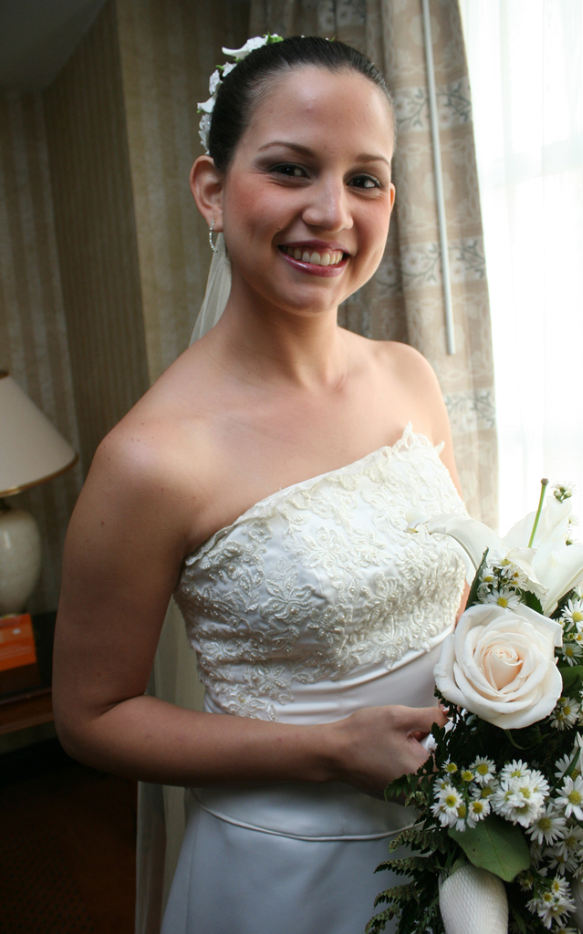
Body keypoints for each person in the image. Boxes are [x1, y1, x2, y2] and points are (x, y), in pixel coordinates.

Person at [52, 36, 468, 934]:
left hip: (460, 844)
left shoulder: (408, 377)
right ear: (211, 188)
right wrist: (324, 752)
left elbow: (456, 590)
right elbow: (91, 716)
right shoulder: (152, 457)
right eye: (291, 169)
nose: (332, 213)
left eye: (366, 179)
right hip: (286, 874)